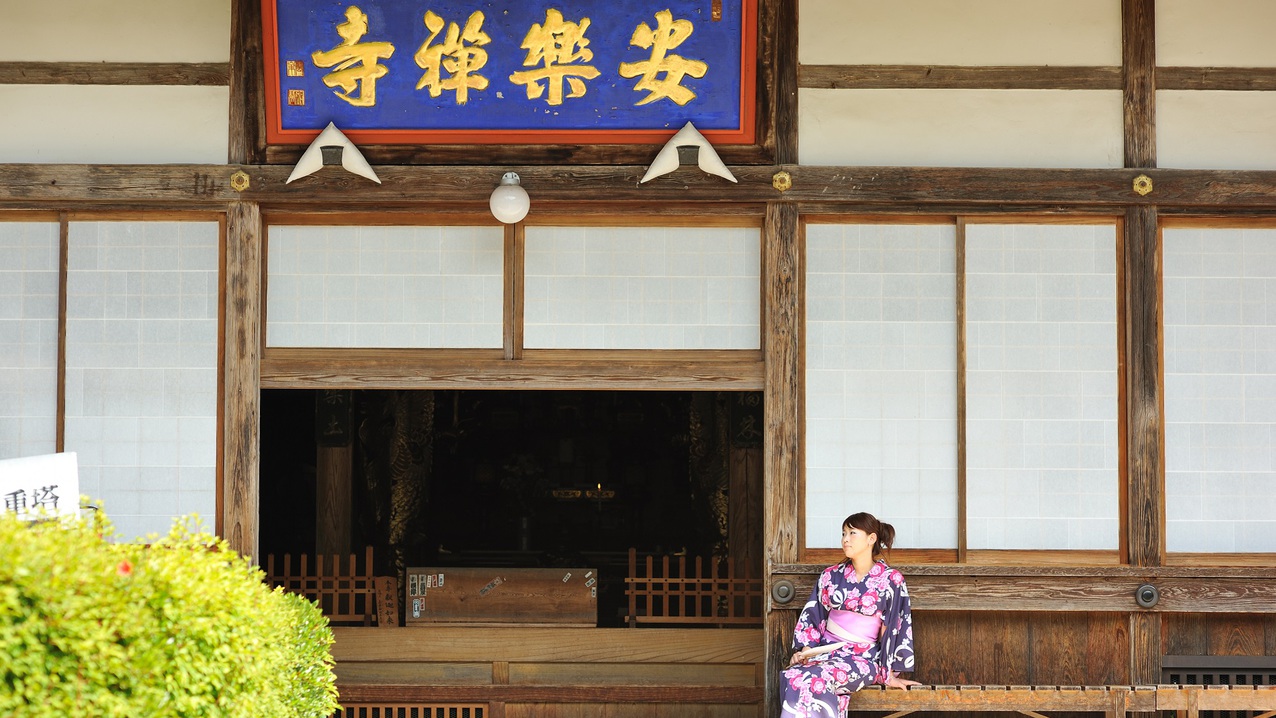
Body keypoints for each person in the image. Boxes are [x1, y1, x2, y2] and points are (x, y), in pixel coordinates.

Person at [779, 512, 919, 718]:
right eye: (843, 533)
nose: (845, 539)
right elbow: (814, 616)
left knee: (817, 677)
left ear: (871, 539)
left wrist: (887, 672)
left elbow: (895, 626)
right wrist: (806, 651)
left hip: (863, 658)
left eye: (852, 533)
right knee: (793, 674)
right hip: (825, 653)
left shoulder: (891, 579)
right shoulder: (830, 575)